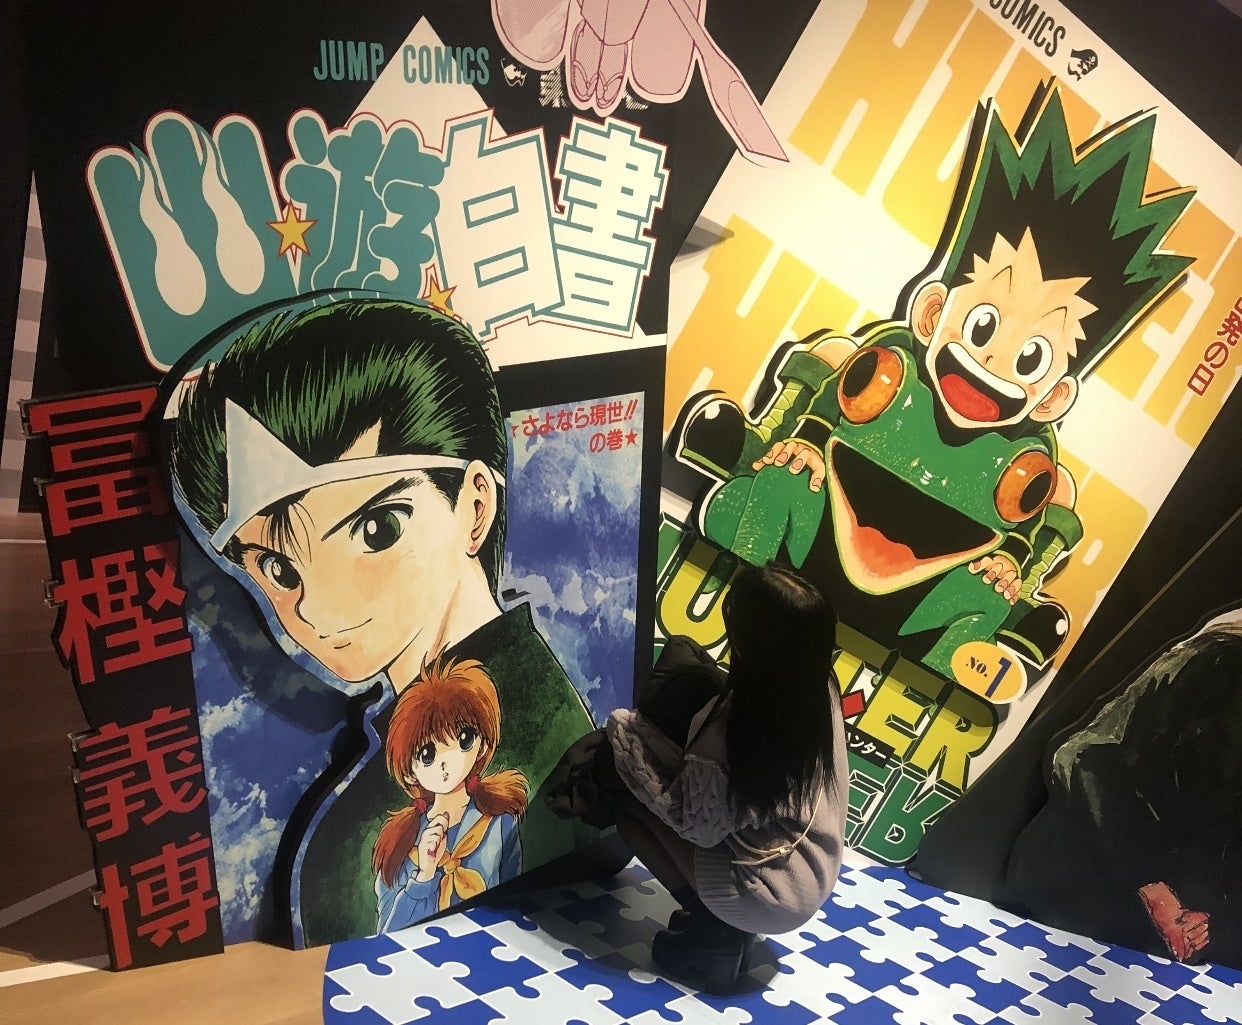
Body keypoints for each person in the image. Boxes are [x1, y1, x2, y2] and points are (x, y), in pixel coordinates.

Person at [170, 297, 594, 943]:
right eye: (279, 569)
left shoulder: (528, 752)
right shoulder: (386, 795)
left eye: (376, 529)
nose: (318, 609)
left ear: (474, 507)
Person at [605, 562, 848, 993]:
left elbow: (696, 826)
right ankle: (725, 924)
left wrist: (628, 741)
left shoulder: (730, 730)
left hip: (766, 892)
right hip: (813, 874)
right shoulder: (820, 690)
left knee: (628, 809)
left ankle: (715, 933)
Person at [373, 655, 529, 933]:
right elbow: (387, 934)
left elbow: (515, 895)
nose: (447, 761)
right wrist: (424, 876)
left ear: (482, 746)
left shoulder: (499, 821)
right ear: (409, 772)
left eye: (464, 739)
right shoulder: (400, 844)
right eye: (427, 754)